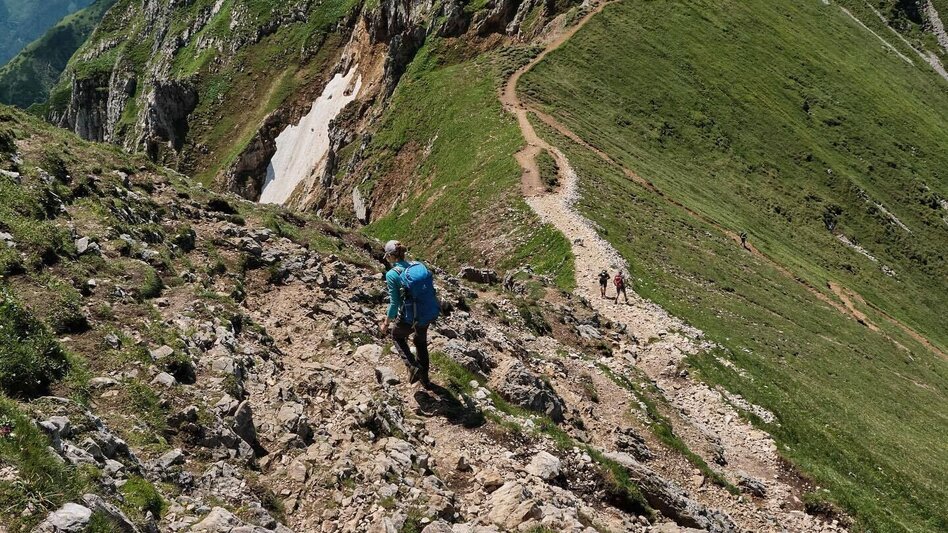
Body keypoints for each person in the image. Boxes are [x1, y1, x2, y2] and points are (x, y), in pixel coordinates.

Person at [379, 240, 441, 387]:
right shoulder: (417, 265)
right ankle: (425, 380)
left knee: (396, 336)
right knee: (420, 343)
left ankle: (412, 366)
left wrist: (386, 323)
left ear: (390, 256)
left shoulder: (392, 274)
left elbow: (394, 303)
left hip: (409, 316)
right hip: (426, 312)